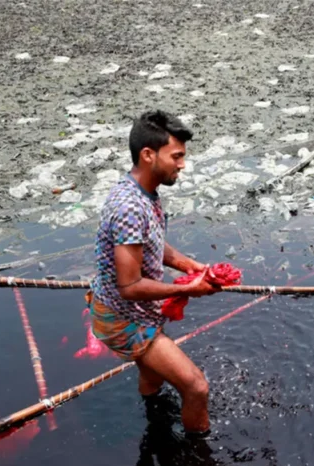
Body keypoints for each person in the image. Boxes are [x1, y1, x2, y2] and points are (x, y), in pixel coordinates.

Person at [87, 110, 220, 437]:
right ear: (148, 155)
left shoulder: (143, 193)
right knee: (196, 387)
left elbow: (153, 243)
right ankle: (198, 455)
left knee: (153, 376)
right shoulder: (130, 207)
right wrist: (187, 290)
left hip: (129, 310)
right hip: (122, 317)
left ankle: (153, 418)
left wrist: (190, 267)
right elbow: (130, 286)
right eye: (176, 156)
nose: (182, 165)